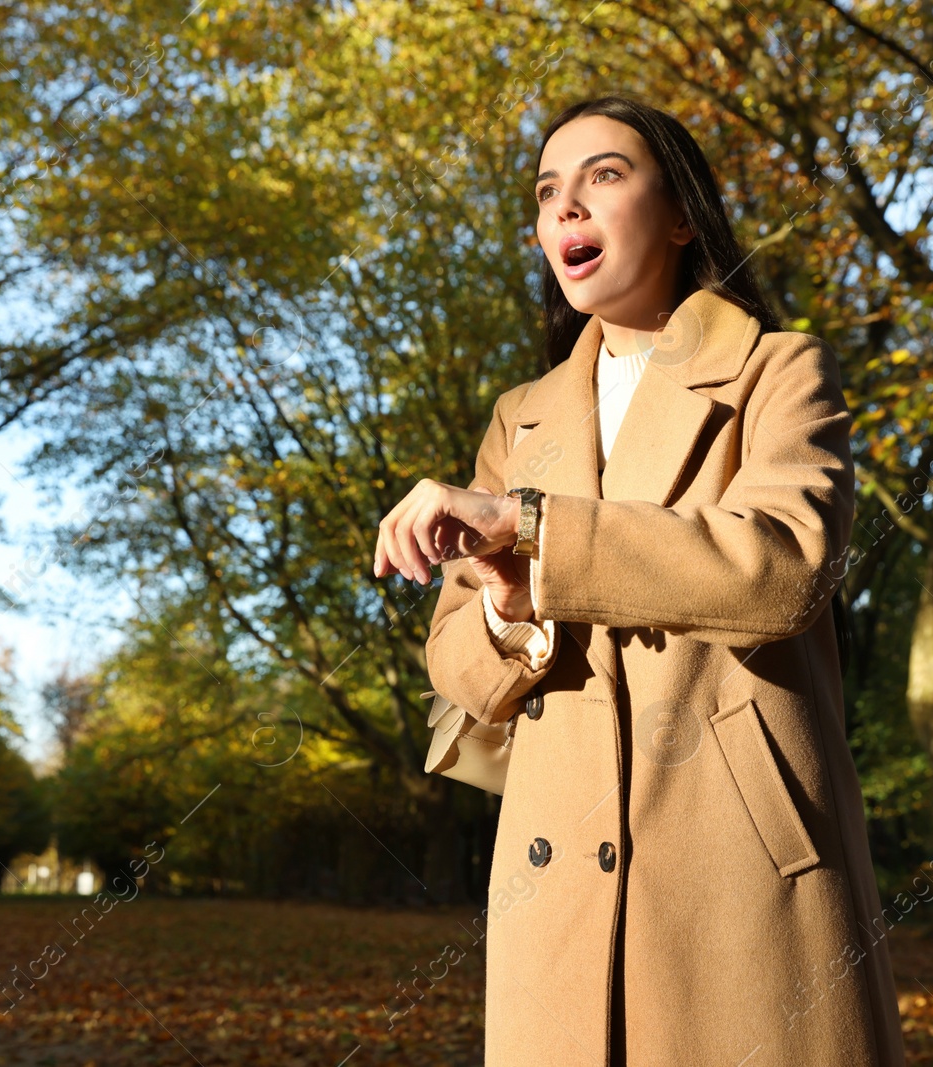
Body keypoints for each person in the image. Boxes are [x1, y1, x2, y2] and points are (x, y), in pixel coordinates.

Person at [373, 94, 905, 1067]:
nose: (566, 206)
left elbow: (780, 567)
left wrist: (535, 531)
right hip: (554, 889)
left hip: (738, 868)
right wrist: (507, 601)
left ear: (681, 215)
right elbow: (454, 660)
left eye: (603, 176)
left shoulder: (776, 371)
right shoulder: (519, 417)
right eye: (546, 192)